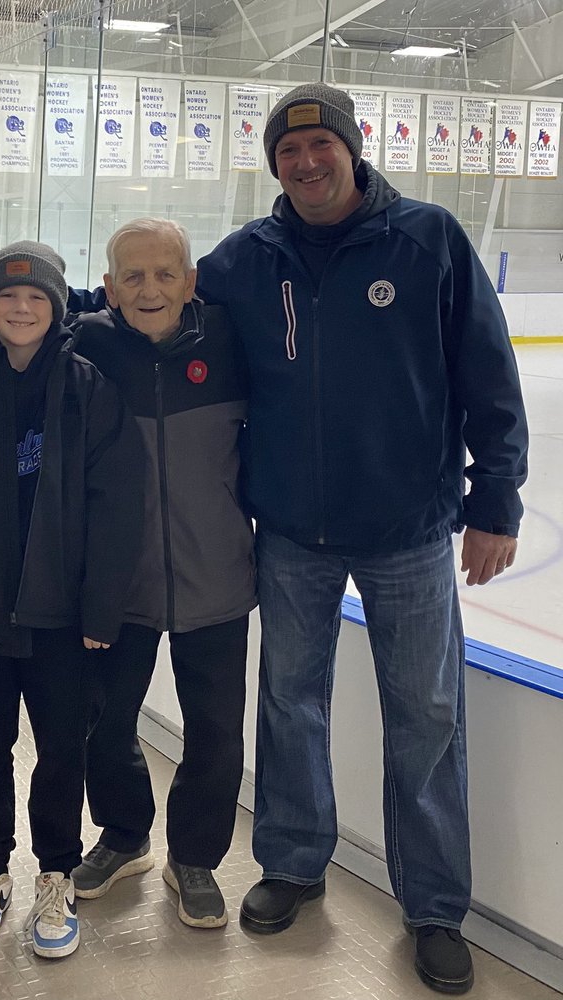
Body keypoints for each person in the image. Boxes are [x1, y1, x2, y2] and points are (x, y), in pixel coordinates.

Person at [197, 83, 529, 995]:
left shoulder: (427, 240)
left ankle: (433, 907)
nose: (306, 165)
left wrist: (493, 498)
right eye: (288, 153)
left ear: (353, 146)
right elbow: (162, 308)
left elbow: (489, 374)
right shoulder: (247, 259)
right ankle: (296, 862)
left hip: (410, 529)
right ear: (274, 165)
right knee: (290, 701)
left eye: (320, 147)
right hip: (293, 532)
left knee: (424, 718)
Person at [0, 242, 144, 957]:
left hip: (63, 619)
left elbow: (117, 506)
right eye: (8, 297)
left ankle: (55, 873)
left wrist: (103, 608)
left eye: (36, 297)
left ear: (56, 305)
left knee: (60, 752)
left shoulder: (89, 389)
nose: (20, 308)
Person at [68, 219, 255, 927]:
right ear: (109, 287)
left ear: (191, 281)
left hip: (216, 576)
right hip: (120, 583)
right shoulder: (86, 342)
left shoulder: (230, 341)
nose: (151, 290)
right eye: (133, 277)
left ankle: (196, 858)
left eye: (165, 274)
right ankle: (123, 836)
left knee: (215, 730)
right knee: (104, 722)